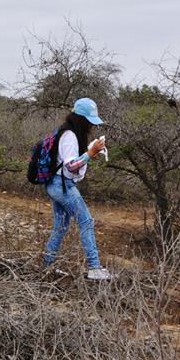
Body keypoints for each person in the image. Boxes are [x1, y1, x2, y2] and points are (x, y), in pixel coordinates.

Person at [41, 98, 112, 280]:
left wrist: (89, 152)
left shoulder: (66, 132)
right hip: (62, 185)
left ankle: (47, 266)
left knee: (61, 226)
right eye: (90, 121)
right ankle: (94, 267)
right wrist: (90, 153)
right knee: (86, 221)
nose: (91, 126)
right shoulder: (70, 136)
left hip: (56, 184)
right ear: (82, 119)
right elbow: (71, 166)